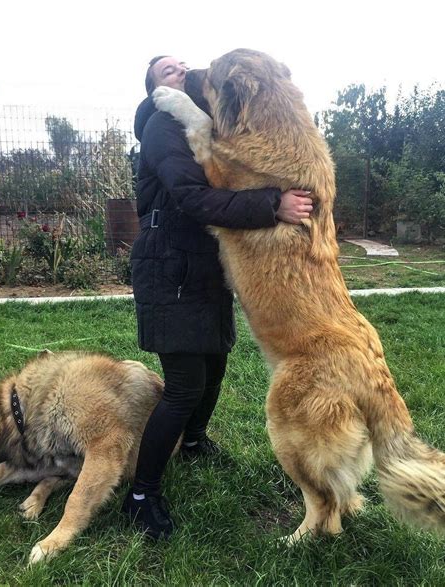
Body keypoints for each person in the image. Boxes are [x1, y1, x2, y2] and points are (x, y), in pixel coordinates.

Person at [122, 56, 313, 539]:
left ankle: (194, 443)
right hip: (170, 266)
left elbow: (225, 169)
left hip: (203, 265)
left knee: (216, 364)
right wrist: (273, 204)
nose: (179, 68)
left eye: (181, 63)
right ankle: (141, 494)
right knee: (184, 383)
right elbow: (191, 195)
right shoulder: (162, 124)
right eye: (166, 69)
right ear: (153, 87)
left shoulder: (199, 122)